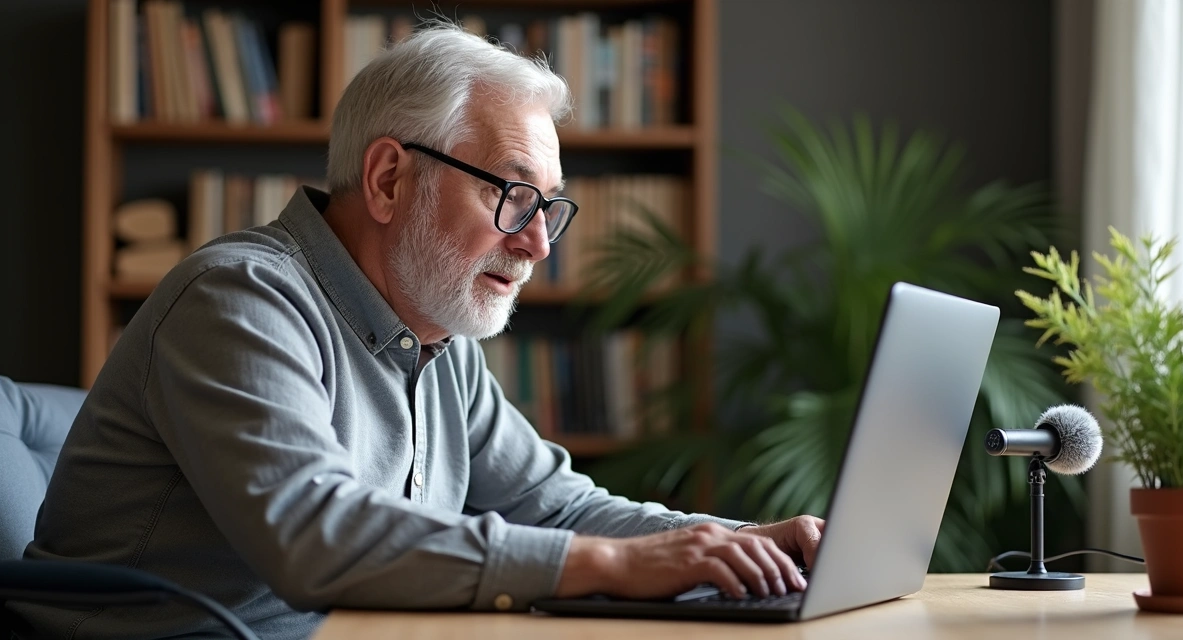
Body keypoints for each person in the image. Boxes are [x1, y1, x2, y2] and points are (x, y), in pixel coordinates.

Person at [9, 22, 824, 640]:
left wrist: (734, 543)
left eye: (550, 208)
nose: (539, 243)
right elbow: (314, 536)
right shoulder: (237, 299)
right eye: (512, 195)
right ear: (390, 178)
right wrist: (616, 566)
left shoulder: (438, 343)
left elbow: (554, 505)